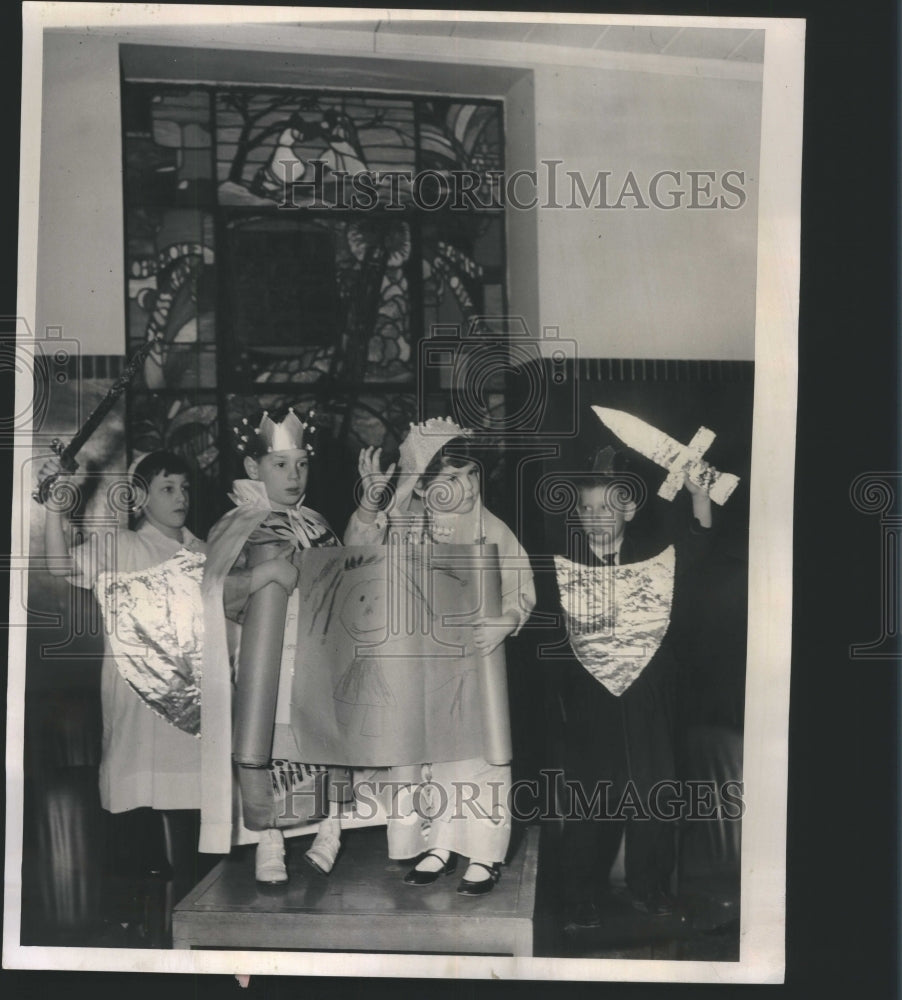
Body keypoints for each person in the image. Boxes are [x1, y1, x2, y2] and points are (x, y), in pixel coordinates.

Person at [339, 418, 536, 895]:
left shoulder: (492, 528)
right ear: (425, 490)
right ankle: (439, 843)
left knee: (479, 757)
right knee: (428, 758)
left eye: (470, 475)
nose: (465, 487)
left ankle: (486, 853)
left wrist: (507, 620)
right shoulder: (406, 526)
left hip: (473, 665)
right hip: (416, 664)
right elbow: (356, 556)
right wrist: (371, 505)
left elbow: (522, 587)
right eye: (450, 479)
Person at [38, 449, 206, 934]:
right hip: (136, 702)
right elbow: (58, 563)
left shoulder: (204, 550)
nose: (181, 497)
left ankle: (193, 930)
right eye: (167, 488)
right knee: (139, 823)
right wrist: (56, 506)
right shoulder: (123, 547)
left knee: (194, 828)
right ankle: (140, 933)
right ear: (139, 498)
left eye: (185, 487)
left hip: (193, 709)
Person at [547, 444, 714, 930]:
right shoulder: (561, 565)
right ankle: (580, 895)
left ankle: (651, 887)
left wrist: (699, 498)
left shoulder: (656, 561)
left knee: (654, 792)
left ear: (630, 509)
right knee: (588, 795)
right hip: (588, 701)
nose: (596, 517)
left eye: (608, 506)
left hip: (649, 698)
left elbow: (699, 550)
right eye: (587, 508)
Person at [199, 407, 350, 883]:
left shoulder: (317, 521)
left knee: (324, 739)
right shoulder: (237, 524)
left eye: (302, 464)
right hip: (266, 659)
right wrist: (262, 573)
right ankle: (271, 840)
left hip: (317, 655)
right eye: (280, 465)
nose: (293, 475)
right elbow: (209, 592)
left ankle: (332, 827)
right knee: (269, 742)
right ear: (253, 469)